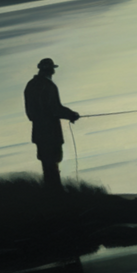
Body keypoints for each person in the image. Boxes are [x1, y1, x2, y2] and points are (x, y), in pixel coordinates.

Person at [23, 57, 79, 190]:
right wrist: (71, 115)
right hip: (50, 131)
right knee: (53, 160)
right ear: (50, 71)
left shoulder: (30, 85)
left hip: (38, 131)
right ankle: (56, 191)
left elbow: (30, 113)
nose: (53, 72)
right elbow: (54, 108)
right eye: (52, 69)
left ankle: (51, 190)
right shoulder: (48, 85)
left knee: (46, 162)